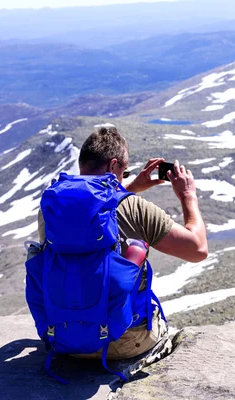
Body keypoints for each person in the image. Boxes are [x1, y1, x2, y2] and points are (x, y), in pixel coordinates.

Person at [36, 126, 208, 360]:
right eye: (124, 172)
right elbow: (197, 249)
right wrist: (188, 196)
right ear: (113, 165)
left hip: (64, 337)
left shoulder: (53, 207)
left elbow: (94, 211)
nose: (122, 178)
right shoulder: (134, 208)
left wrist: (132, 186)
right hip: (123, 342)